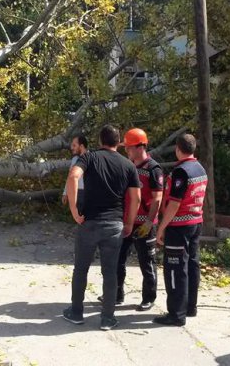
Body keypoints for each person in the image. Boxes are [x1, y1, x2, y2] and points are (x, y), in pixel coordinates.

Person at [62, 125, 140, 331]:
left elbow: (73, 176)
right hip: (114, 224)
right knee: (110, 272)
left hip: (89, 222)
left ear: (99, 141)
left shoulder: (90, 158)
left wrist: (74, 209)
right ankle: (107, 318)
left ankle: (76, 312)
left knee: (81, 269)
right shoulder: (128, 165)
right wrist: (130, 222)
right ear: (119, 143)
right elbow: (136, 198)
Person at [154, 134, 207, 327]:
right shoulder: (200, 168)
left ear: (177, 148)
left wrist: (162, 227)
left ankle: (176, 313)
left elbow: (174, 204)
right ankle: (190, 307)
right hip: (195, 222)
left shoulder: (181, 172)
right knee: (192, 264)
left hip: (179, 226)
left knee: (175, 268)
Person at [114, 128, 163, 311]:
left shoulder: (153, 169)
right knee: (118, 259)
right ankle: (117, 294)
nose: (127, 151)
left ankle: (148, 298)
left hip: (145, 225)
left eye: (129, 147)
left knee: (147, 262)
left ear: (140, 146)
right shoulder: (129, 167)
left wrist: (149, 222)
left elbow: (158, 197)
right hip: (127, 222)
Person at [61, 135, 88, 214]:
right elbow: (70, 177)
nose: (72, 148)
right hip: (76, 192)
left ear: (81, 146)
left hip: (89, 192)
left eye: (74, 145)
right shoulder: (74, 160)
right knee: (79, 218)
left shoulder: (93, 158)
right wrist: (65, 193)